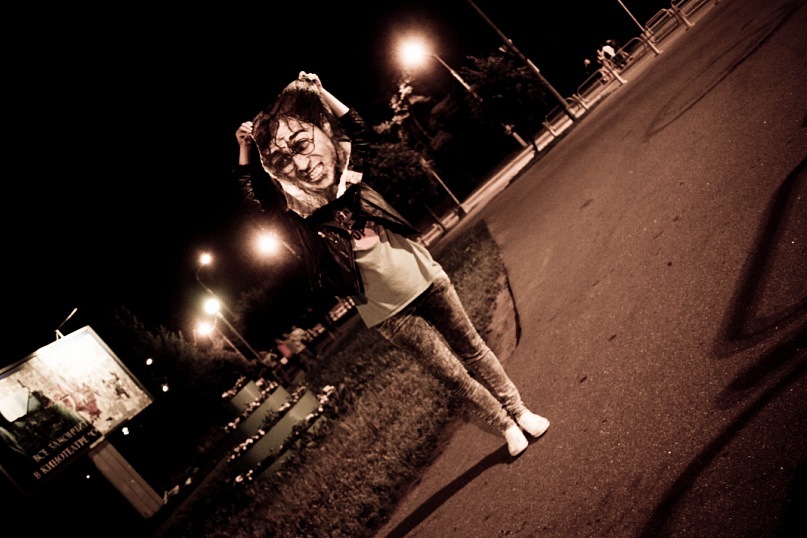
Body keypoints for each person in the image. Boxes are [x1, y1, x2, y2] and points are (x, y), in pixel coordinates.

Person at [234, 71, 549, 457]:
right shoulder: (304, 217)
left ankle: (520, 410)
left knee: (474, 350)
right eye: (285, 160)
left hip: (426, 278)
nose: (301, 164)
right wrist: (245, 150)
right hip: (389, 314)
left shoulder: (351, 180)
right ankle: (505, 424)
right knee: (453, 375)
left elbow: (359, 131)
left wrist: (320, 91)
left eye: (303, 145)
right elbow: (256, 203)